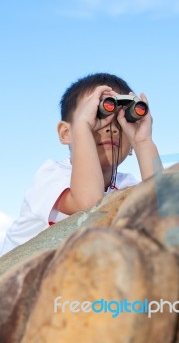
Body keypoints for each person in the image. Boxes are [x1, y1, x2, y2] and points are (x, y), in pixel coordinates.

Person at [1, 73, 161, 255]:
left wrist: (143, 142)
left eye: (121, 121)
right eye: (97, 117)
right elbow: (90, 204)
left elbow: (162, 214)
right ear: (67, 133)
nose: (111, 127)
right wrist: (83, 126)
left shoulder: (125, 184)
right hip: (11, 274)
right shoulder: (52, 174)